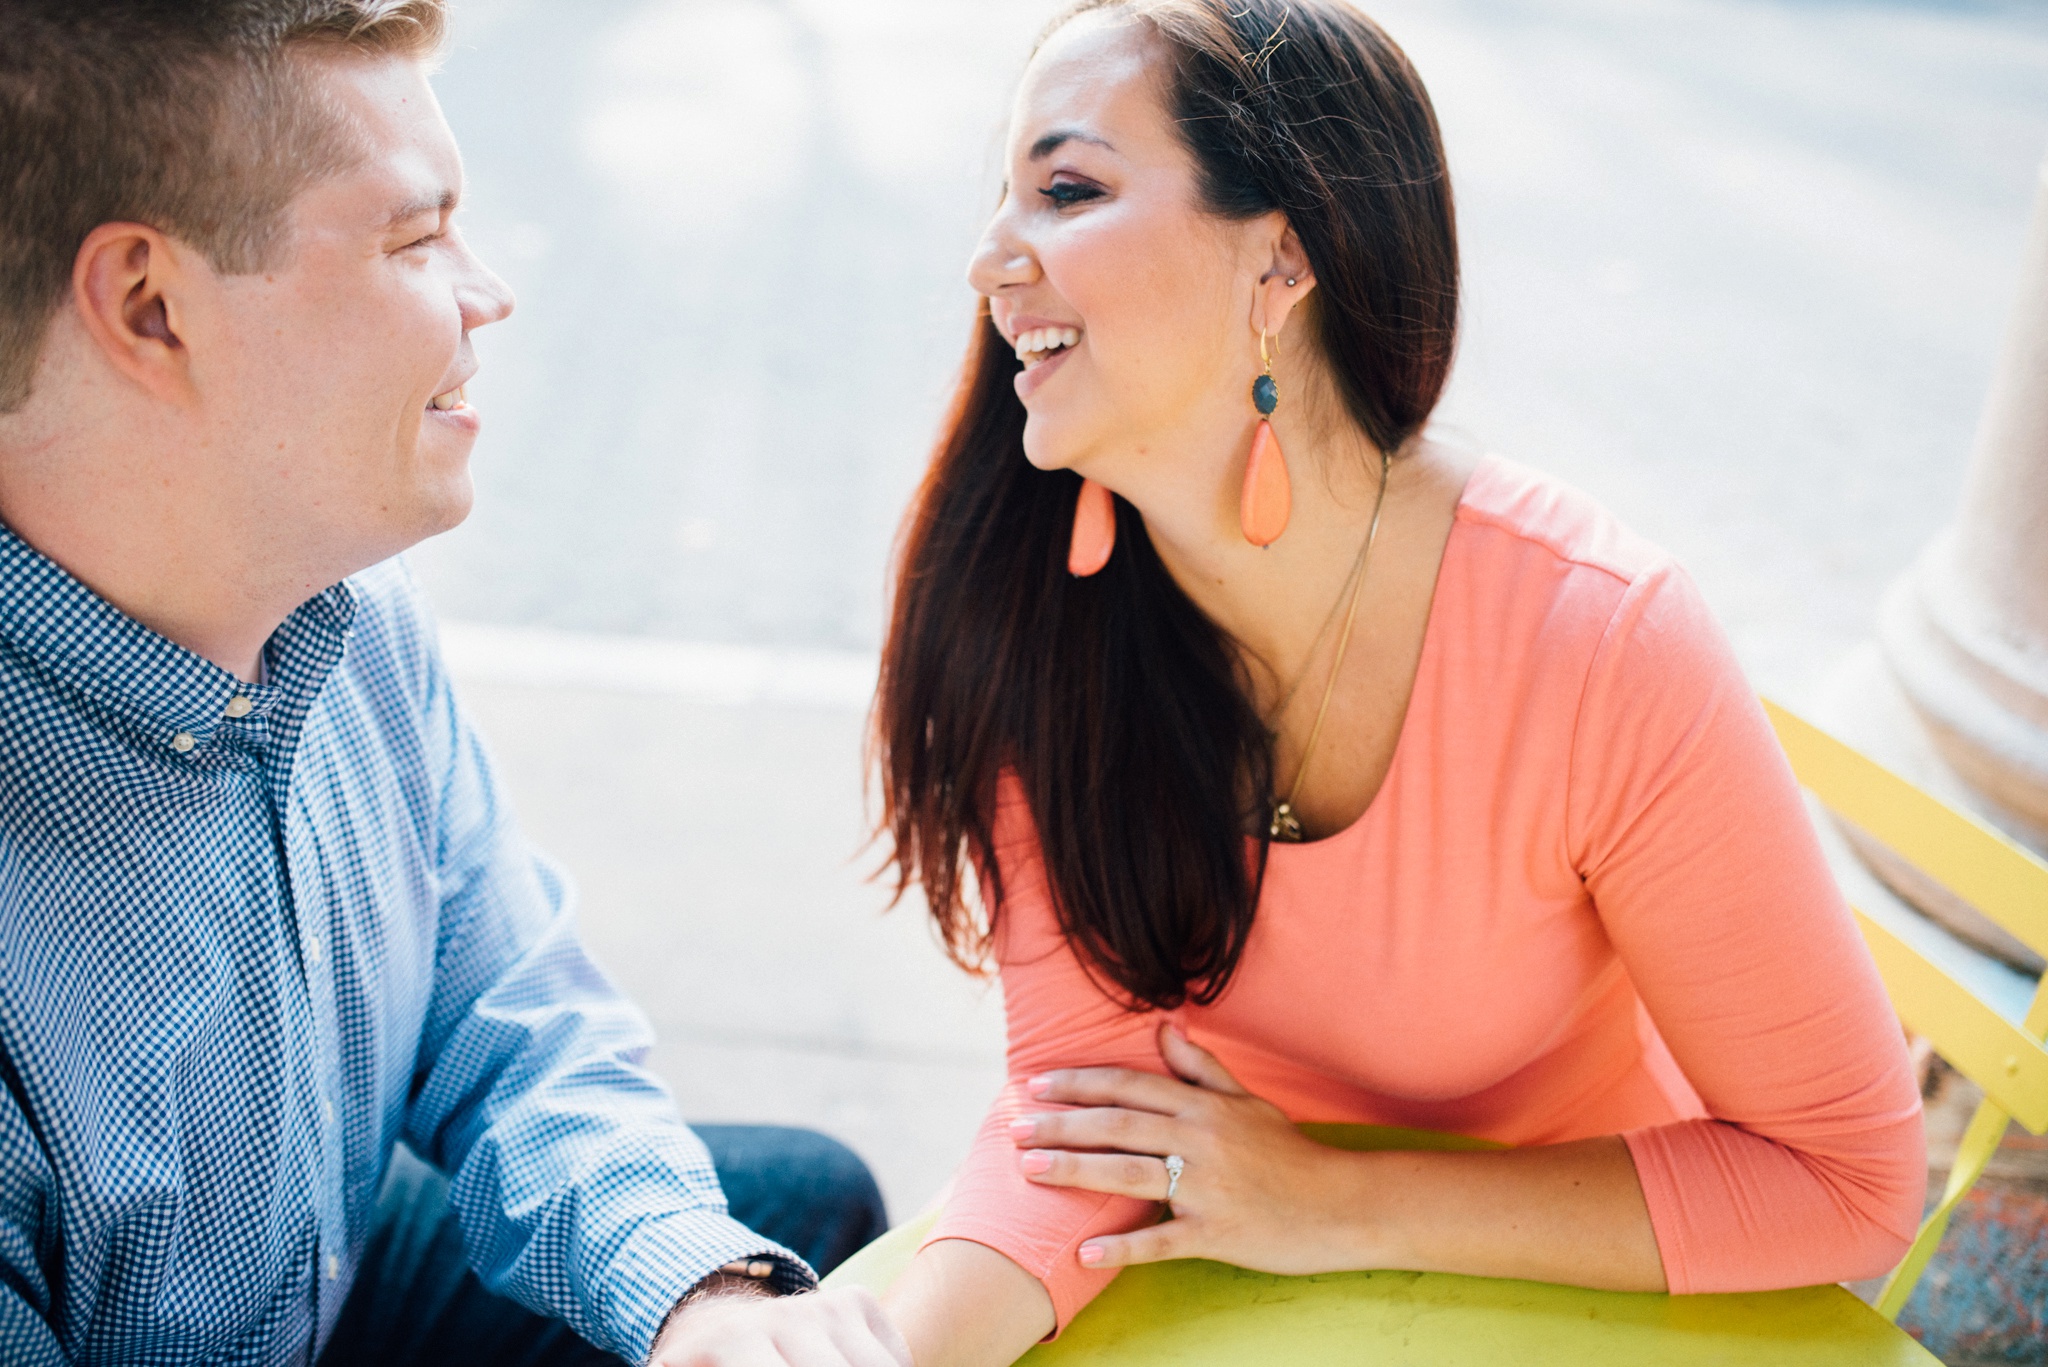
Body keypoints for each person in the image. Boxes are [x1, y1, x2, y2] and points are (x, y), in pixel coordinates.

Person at [869, 2, 1927, 1363]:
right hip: (1235, 1276)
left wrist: (1338, 1202)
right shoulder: (1033, 617)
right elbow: (1089, 1118)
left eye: (1066, 190)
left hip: (1591, 1295)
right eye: (1004, 198)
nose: (987, 261)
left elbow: (1847, 1181)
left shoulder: (1596, 640)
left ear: (1283, 259)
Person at [0, 4, 909, 1364]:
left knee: (791, 1219)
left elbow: (508, 1007)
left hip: (327, 1272)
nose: (490, 289)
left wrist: (691, 1298)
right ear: (152, 307)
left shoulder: (347, 605)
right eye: (415, 238)